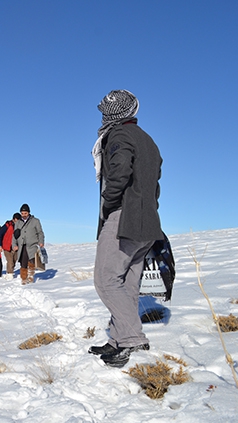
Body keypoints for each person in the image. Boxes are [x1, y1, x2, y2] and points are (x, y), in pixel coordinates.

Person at [88, 89, 163, 368]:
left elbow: (119, 174)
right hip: (147, 221)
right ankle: (119, 338)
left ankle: (132, 338)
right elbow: (154, 184)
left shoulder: (118, 135)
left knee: (106, 280)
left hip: (124, 218)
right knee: (128, 283)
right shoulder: (148, 140)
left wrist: (109, 207)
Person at [14, 204, 45, 285]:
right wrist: (14, 244)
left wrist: (41, 241)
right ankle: (24, 279)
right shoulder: (18, 222)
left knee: (32, 262)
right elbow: (14, 235)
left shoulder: (35, 221)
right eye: (22, 213)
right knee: (23, 263)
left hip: (32, 245)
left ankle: (31, 277)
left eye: (25, 213)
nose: (24, 215)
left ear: (29, 213)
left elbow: (40, 233)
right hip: (22, 245)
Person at [0, 213, 22, 280]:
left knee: (14, 261)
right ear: (13, 219)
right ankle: (9, 274)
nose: (17, 222)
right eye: (16, 220)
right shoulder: (7, 225)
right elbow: (0, 235)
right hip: (7, 246)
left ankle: (10, 272)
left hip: (15, 247)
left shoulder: (20, 226)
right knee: (10, 261)